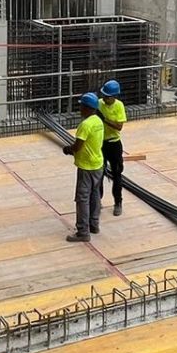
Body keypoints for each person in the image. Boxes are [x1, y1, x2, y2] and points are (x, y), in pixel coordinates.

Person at [59, 91, 107, 241]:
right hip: (98, 164)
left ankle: (83, 232)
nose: (79, 109)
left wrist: (68, 149)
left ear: (87, 108)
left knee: (82, 199)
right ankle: (94, 224)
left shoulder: (85, 125)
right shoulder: (98, 121)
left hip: (86, 167)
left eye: (81, 107)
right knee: (95, 195)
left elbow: (78, 146)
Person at [98, 79, 128, 216]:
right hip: (101, 143)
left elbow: (119, 126)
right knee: (99, 173)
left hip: (114, 144)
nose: (104, 98)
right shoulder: (99, 103)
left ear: (114, 96)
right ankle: (98, 200)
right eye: (103, 95)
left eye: (107, 96)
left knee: (116, 174)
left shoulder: (119, 106)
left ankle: (118, 202)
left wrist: (104, 119)